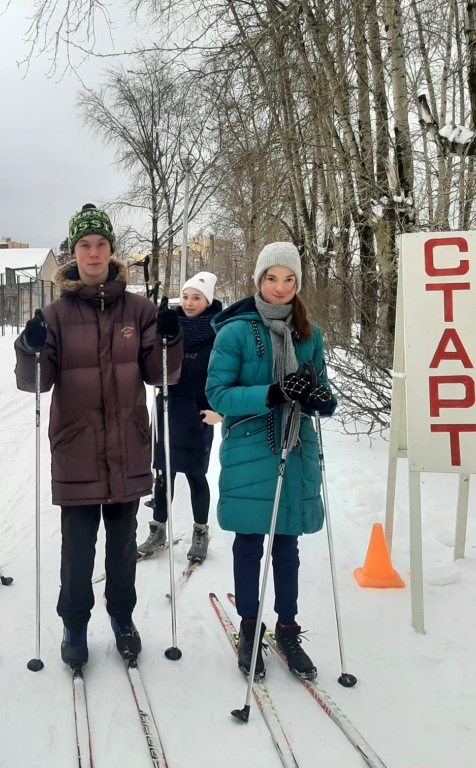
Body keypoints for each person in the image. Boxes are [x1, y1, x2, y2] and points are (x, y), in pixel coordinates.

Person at [14, 203, 183, 668]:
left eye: (101, 244)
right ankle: (74, 623)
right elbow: (36, 382)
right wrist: (29, 347)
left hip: (128, 447)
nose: (93, 253)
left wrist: (170, 339)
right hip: (77, 449)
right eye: (85, 245)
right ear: (74, 253)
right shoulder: (55, 315)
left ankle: (122, 617)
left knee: (123, 546)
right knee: (77, 549)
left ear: (112, 250)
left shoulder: (140, 310)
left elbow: (160, 375)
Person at [205, 242, 336, 681]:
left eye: (289, 279)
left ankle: (287, 628)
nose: (280, 287)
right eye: (272, 278)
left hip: (295, 450)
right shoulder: (236, 332)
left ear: (298, 283)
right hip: (251, 449)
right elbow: (218, 395)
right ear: (259, 280)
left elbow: (321, 384)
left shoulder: (309, 333)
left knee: (287, 546)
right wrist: (272, 393)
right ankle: (249, 628)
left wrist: (321, 400)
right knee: (249, 543)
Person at [137, 271, 223, 563]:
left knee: (196, 475)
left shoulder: (218, 334)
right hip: (167, 409)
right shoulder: (170, 328)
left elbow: (227, 376)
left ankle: (200, 532)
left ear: (208, 301)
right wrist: (161, 335)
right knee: (163, 474)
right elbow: (152, 364)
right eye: (185, 296)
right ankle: (157, 530)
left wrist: (220, 412)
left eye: (196, 297)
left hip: (198, 415)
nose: (188, 303)